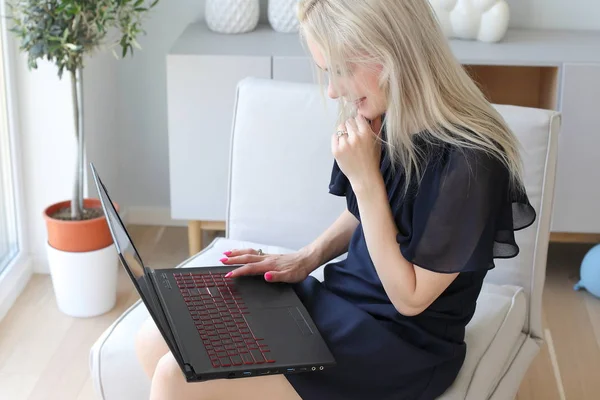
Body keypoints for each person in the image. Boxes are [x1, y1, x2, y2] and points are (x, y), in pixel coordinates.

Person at [135, 0, 536, 399]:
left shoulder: (474, 161)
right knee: (156, 337)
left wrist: (365, 179)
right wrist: (305, 258)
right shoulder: (391, 114)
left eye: (341, 70)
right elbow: (374, 215)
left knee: (175, 377)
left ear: (393, 50)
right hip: (341, 304)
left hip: (401, 347)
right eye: (328, 71)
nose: (332, 90)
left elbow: (410, 298)